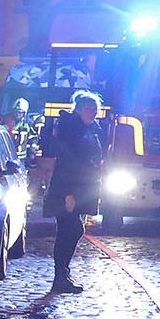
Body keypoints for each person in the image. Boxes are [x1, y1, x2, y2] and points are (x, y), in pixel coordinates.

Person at [41, 90, 104, 293]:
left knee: (73, 229)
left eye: (95, 109)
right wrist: (68, 194)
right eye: (88, 108)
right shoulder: (71, 130)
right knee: (70, 230)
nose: (93, 112)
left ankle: (62, 275)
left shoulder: (88, 129)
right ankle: (61, 276)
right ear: (78, 110)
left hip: (81, 188)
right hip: (69, 189)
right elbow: (68, 162)